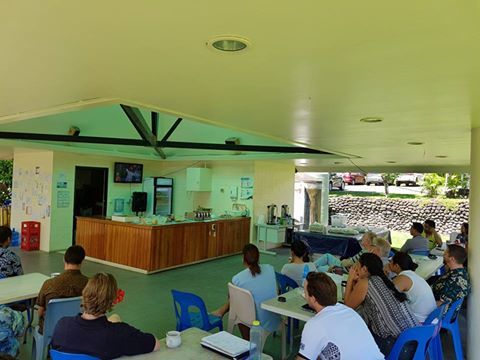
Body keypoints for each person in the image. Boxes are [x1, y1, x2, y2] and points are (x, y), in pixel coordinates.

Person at [51, 273, 160, 358]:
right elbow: (155, 344)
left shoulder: (62, 325)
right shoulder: (118, 334)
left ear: (85, 294)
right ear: (112, 301)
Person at [344, 253, 418, 356]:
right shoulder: (384, 280)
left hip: (398, 347)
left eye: (356, 267)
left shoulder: (366, 282)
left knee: (355, 336)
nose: (354, 270)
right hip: (417, 341)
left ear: (364, 269)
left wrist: (350, 279)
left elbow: (347, 307)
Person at [296, 272, 383, 360]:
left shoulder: (314, 325)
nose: (304, 295)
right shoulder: (348, 311)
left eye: (305, 292)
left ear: (313, 299)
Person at [213, 244, 280, 338]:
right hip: (273, 317)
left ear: (243, 258)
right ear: (258, 257)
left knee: (236, 303)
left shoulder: (238, 278)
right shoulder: (270, 268)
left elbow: (232, 300)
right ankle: (221, 311)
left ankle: (246, 340)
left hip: (255, 322)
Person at [36, 245, 89, 333]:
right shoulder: (89, 284)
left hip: (51, 329)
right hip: (78, 329)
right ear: (82, 261)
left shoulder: (49, 284)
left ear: (64, 259)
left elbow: (40, 312)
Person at [388, 252, 436, 323]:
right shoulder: (412, 275)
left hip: (421, 322)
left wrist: (384, 274)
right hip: (432, 319)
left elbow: (387, 296)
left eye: (390, 261)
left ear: (396, 266)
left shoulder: (403, 278)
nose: (388, 264)